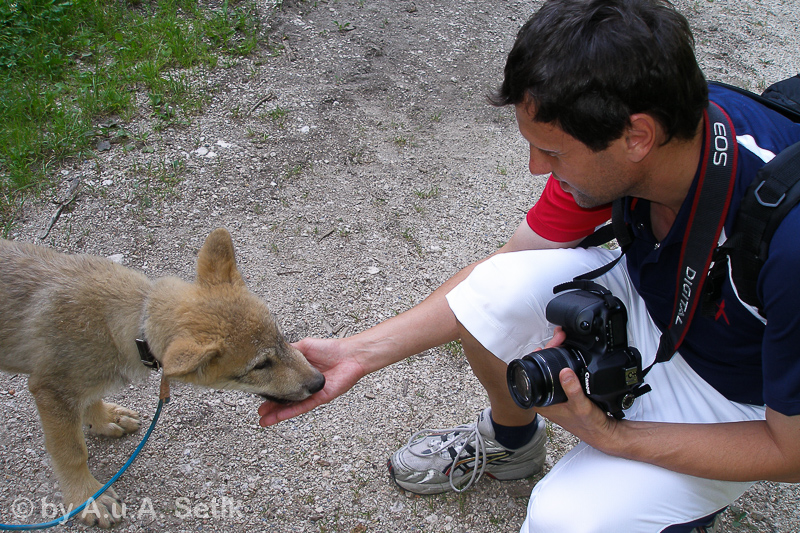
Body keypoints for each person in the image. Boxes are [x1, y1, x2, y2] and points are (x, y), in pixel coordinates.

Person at [258, 0, 800, 530]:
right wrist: (357, 353)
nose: (538, 167)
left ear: (637, 137)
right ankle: (510, 446)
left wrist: (616, 438)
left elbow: (791, 453)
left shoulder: (789, 246)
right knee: (491, 294)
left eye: (554, 153)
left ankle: (677, 510)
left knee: (568, 520)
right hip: (662, 311)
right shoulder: (642, 136)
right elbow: (507, 267)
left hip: (739, 399)